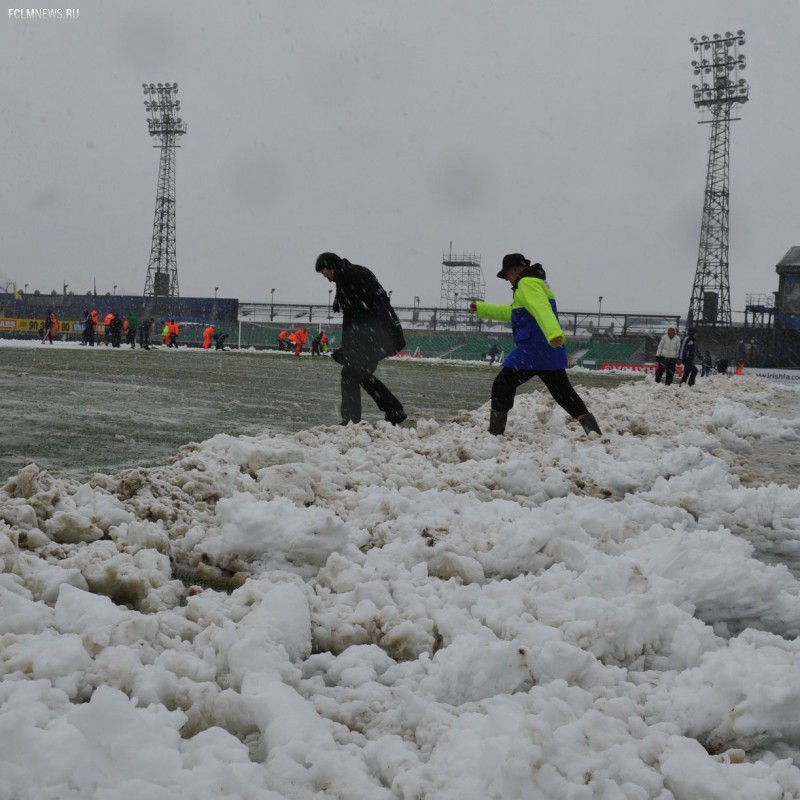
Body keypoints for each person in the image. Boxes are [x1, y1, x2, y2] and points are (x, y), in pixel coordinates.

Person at [469, 253, 601, 436]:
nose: (507, 280)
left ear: (513, 271)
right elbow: (511, 312)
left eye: (506, 276)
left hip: (533, 350)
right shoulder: (533, 283)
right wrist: (483, 308)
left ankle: (495, 433)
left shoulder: (527, 284)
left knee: (502, 384)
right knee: (562, 392)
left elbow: (541, 308)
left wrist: (554, 333)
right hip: (546, 350)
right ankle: (592, 429)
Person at [315, 251, 407, 425]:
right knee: (358, 373)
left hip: (373, 335)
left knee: (351, 374)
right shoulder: (351, 273)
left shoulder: (347, 278)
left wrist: (349, 346)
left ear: (332, 267)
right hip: (380, 333)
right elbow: (372, 300)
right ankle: (392, 410)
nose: (326, 278)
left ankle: (353, 420)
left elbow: (356, 316)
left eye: (325, 273)